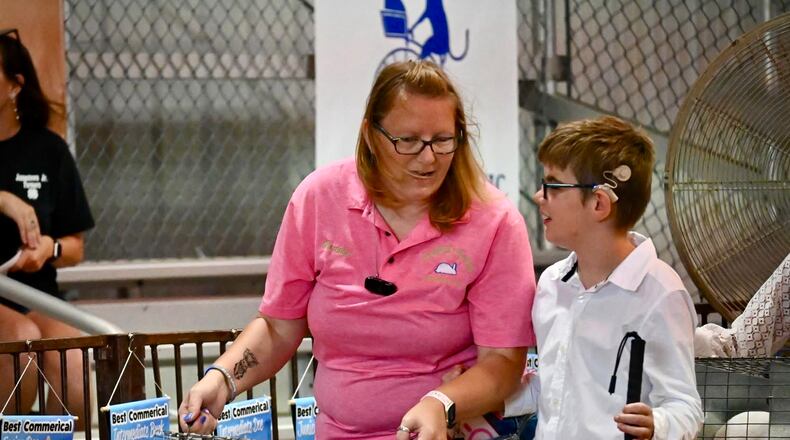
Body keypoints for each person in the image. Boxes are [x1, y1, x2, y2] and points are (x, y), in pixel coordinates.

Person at [179, 60, 537, 439]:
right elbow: (279, 326)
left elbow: (503, 363)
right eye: (408, 141)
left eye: (443, 140)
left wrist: (441, 403)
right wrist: (222, 380)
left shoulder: (493, 221)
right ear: (370, 134)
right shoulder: (320, 198)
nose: (429, 157)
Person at [504, 116, 703, 439]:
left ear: (598, 203)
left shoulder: (660, 293)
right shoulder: (552, 284)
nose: (539, 196)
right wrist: (490, 396)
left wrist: (659, 424)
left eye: (552, 185)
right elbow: (555, 385)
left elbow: (685, 405)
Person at [0, 28, 94, 427]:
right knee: (19, 341)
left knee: (71, 363)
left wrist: (48, 250)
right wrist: (4, 199)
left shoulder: (49, 150)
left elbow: (75, 247)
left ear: (14, 87)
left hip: (38, 293)